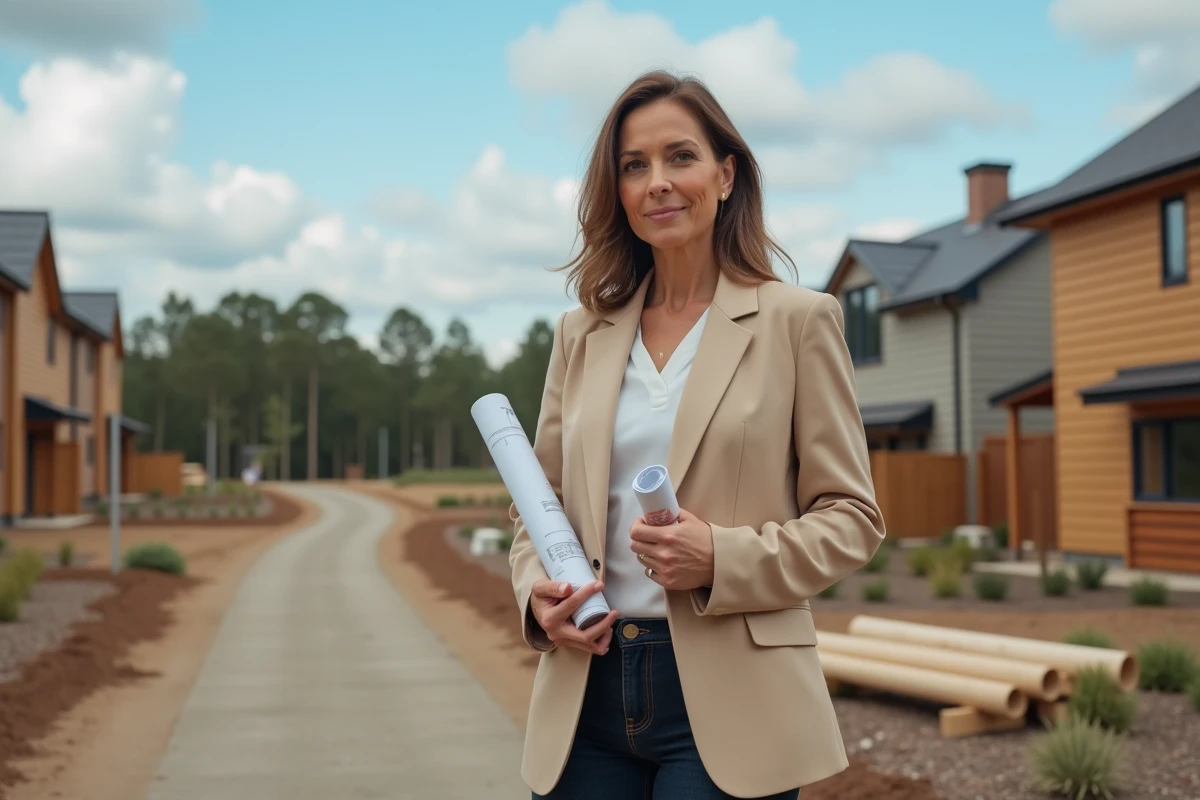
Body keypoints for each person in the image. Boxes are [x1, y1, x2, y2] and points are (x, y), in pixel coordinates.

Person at [507, 69, 886, 800]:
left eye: (680, 156)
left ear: (726, 174)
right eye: (633, 165)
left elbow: (852, 519)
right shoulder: (579, 336)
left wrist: (723, 556)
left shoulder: (798, 322)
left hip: (737, 699)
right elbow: (538, 503)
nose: (657, 182)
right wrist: (537, 596)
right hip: (585, 691)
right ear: (616, 191)